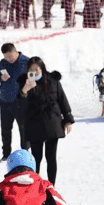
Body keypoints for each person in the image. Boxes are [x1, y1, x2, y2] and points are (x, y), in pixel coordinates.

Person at [16, 56, 74, 185]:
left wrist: (68, 119)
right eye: (32, 69)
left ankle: (51, 186)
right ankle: (35, 186)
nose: (35, 71)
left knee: (51, 157)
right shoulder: (23, 82)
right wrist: (25, 90)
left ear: (42, 68)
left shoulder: (53, 80)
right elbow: (19, 105)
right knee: (36, 158)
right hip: (34, 124)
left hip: (52, 122)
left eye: (37, 68)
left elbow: (62, 99)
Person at [0, 43, 28, 161]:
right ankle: (6, 155)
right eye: (6, 57)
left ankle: (25, 154)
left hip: (21, 101)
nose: (9, 59)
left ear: (16, 51)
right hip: (4, 101)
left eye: (11, 56)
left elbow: (33, 79)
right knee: (5, 129)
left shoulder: (26, 62)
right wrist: (0, 78)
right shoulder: (2, 63)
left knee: (24, 129)